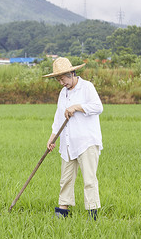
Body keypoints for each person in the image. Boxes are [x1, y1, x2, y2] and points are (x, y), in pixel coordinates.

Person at [43, 57, 103, 221]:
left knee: (89, 180)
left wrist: (76, 107)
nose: (61, 82)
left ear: (71, 73)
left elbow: (98, 107)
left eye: (63, 78)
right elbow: (58, 119)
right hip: (68, 143)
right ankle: (62, 211)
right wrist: (52, 139)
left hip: (86, 142)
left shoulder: (86, 87)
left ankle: (92, 214)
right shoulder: (63, 93)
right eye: (58, 80)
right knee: (66, 179)